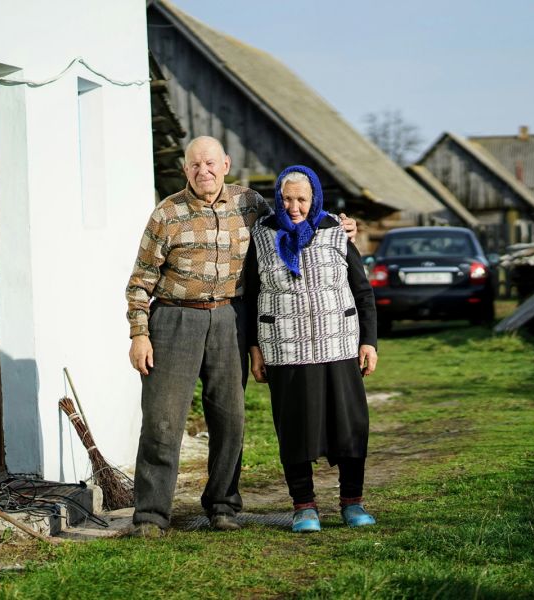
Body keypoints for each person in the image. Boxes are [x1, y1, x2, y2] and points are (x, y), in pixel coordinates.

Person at [125, 138, 356, 536]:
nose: (204, 172)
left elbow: (295, 217)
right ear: (185, 169)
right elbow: (140, 280)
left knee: (229, 419)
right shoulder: (166, 212)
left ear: (226, 164)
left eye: (211, 163)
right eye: (195, 165)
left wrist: (341, 224)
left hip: (231, 318)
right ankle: (151, 514)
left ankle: (223, 506)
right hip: (175, 320)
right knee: (163, 422)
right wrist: (139, 334)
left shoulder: (250, 204)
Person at [245, 165, 378, 533]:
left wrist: (369, 341)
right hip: (285, 350)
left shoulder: (336, 231)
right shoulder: (262, 234)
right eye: (287, 198)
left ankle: (352, 501)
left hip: (338, 345)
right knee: (294, 429)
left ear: (314, 198)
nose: (293, 206)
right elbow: (252, 296)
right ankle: (304, 506)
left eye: (301, 199)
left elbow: (362, 290)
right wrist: (254, 349)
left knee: (350, 426)